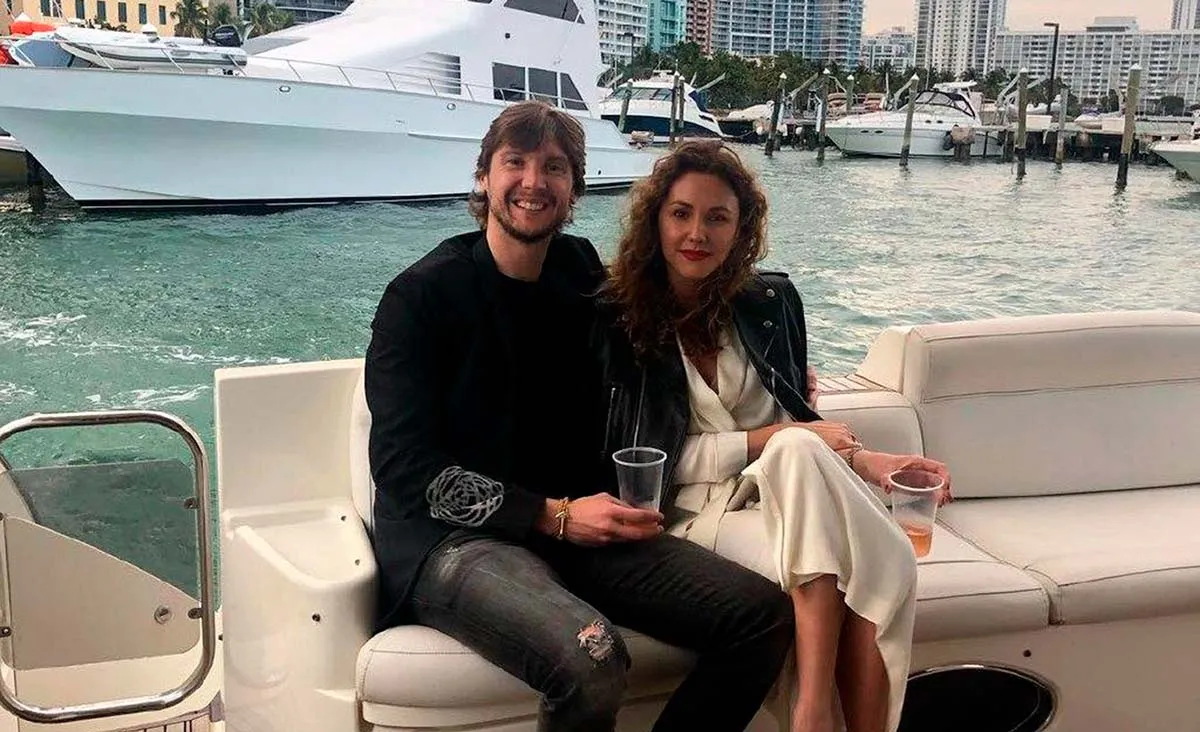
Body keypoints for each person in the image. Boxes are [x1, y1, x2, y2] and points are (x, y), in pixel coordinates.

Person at [365, 102, 795, 732]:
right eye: (515, 162)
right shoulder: (419, 296)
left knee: (761, 617)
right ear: (484, 177)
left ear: (574, 190)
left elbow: (658, 335)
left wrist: (774, 366)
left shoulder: (578, 269)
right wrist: (551, 514)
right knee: (592, 657)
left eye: (554, 167)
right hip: (454, 541)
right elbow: (403, 468)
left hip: (575, 523)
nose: (533, 181)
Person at [599, 140, 953, 732]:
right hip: (693, 512)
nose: (697, 233)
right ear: (655, 220)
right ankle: (812, 711)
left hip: (787, 493)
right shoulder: (619, 317)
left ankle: (814, 716)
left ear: (741, 230)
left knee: (878, 551)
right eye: (681, 213)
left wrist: (867, 460)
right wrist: (764, 441)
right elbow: (643, 462)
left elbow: (798, 420)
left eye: (718, 217)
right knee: (867, 549)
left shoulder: (771, 302)